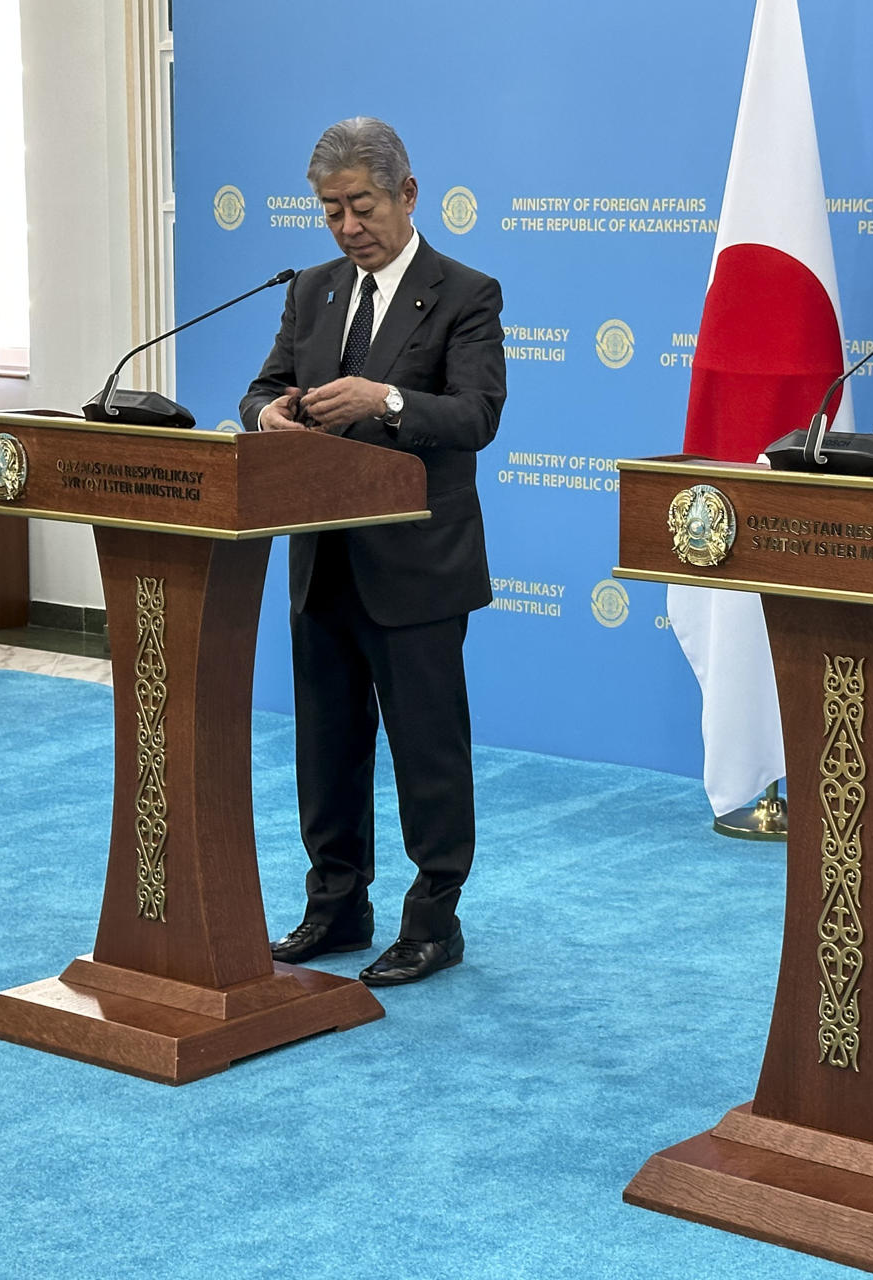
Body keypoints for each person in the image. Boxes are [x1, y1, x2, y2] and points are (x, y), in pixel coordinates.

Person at [240, 117, 505, 987]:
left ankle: (434, 922)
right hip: (323, 560)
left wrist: (386, 398)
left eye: (361, 206)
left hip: (418, 567)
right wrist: (266, 416)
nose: (348, 226)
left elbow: (475, 416)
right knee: (326, 746)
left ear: (407, 194)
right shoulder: (312, 289)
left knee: (428, 749)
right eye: (330, 211)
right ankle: (336, 907)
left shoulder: (465, 292)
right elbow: (263, 386)